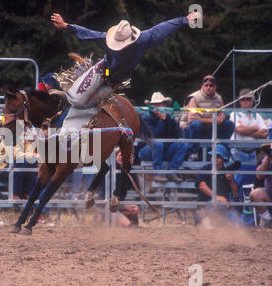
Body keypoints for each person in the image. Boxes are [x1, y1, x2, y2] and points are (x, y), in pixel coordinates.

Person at [51, 11, 200, 135]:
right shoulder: (107, 39)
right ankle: (67, 97)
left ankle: (73, 131)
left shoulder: (143, 40)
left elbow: (162, 28)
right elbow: (89, 34)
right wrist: (66, 26)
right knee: (77, 99)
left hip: (115, 82)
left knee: (90, 103)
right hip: (103, 69)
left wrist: (184, 20)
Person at [181, 75, 234, 160]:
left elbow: (222, 112)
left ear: (215, 87)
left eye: (211, 85)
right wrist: (213, 120)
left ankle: (221, 150)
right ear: (202, 86)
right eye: (206, 85)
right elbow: (192, 119)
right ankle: (192, 152)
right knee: (196, 124)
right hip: (192, 130)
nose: (209, 87)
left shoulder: (219, 98)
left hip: (210, 130)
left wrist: (222, 118)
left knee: (229, 124)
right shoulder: (194, 98)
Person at [138, 92, 187, 183]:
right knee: (158, 143)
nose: (158, 107)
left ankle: (172, 172)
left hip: (164, 149)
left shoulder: (169, 117)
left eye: (160, 104)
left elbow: (177, 134)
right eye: (155, 104)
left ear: (164, 105)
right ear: (151, 106)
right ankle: (158, 173)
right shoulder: (146, 118)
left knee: (183, 144)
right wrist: (162, 120)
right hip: (147, 150)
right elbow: (154, 136)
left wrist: (167, 120)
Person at [194, 144, 240, 226]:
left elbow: (235, 192)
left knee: (238, 224)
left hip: (224, 208)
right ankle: (207, 221)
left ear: (223, 159)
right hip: (207, 206)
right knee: (218, 204)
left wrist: (231, 180)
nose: (214, 158)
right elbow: (201, 185)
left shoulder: (226, 172)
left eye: (217, 157)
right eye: (213, 156)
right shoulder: (205, 169)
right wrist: (216, 197)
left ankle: (215, 223)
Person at [248, 143, 272, 228]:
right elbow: (259, 176)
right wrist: (268, 158)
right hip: (270, 194)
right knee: (255, 194)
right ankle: (267, 221)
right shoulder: (268, 158)